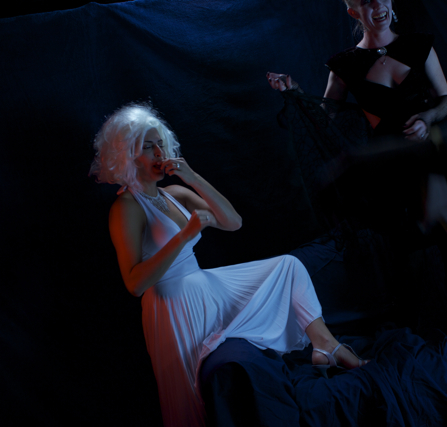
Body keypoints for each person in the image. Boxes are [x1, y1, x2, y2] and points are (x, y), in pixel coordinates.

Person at [89, 103, 367, 427]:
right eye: (148, 146)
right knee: (194, 407)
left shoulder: (174, 193)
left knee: (288, 267)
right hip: (174, 308)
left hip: (207, 290)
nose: (159, 153)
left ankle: (327, 346)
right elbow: (135, 284)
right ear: (127, 155)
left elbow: (233, 222)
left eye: (160, 143)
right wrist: (185, 235)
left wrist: (192, 177)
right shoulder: (126, 207)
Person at [266, 0, 447, 243]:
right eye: (367, 1)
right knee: (408, 244)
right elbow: (323, 121)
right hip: (389, 174)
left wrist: (428, 117)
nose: (378, 5)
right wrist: (295, 91)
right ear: (353, 12)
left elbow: (446, 99)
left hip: (435, 161)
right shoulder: (345, 65)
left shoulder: (420, 46)